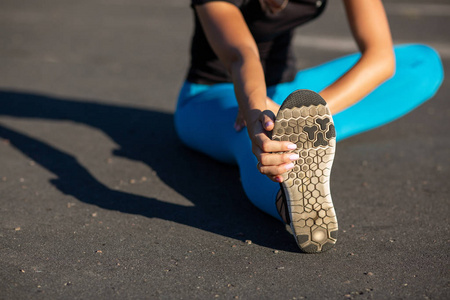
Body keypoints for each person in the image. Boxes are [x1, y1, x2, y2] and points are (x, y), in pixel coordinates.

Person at [174, 0, 443, 252]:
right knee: (263, 137)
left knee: (422, 63)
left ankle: (303, 130)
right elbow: (241, 55)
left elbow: (381, 59)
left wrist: (309, 113)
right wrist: (257, 111)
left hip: (286, 92)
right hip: (221, 95)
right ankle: (288, 200)